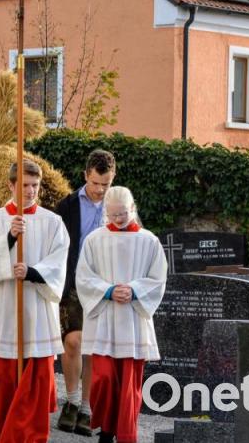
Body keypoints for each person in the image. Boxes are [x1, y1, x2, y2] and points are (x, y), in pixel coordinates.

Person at [0, 160, 70, 443]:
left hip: (36, 309)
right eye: (24, 185)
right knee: (2, 379)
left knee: (35, 381)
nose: (29, 191)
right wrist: (10, 237)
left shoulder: (53, 222)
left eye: (34, 186)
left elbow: (59, 263)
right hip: (3, 309)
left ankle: (30, 435)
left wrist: (32, 272)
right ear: (12, 185)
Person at [76, 186, 167, 443]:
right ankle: (105, 430)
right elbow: (83, 277)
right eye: (113, 214)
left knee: (129, 384)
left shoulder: (149, 241)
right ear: (106, 212)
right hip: (104, 318)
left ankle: (126, 435)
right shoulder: (95, 239)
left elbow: (158, 278)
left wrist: (135, 290)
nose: (118, 219)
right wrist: (107, 291)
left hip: (133, 320)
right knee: (103, 378)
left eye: (123, 214)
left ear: (133, 209)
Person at [54, 148, 117, 436]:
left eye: (106, 184)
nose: (100, 190)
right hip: (72, 283)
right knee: (74, 342)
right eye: (95, 184)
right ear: (85, 176)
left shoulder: (118, 205)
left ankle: (87, 407)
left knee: (92, 346)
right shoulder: (66, 206)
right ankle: (70, 400)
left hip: (102, 286)